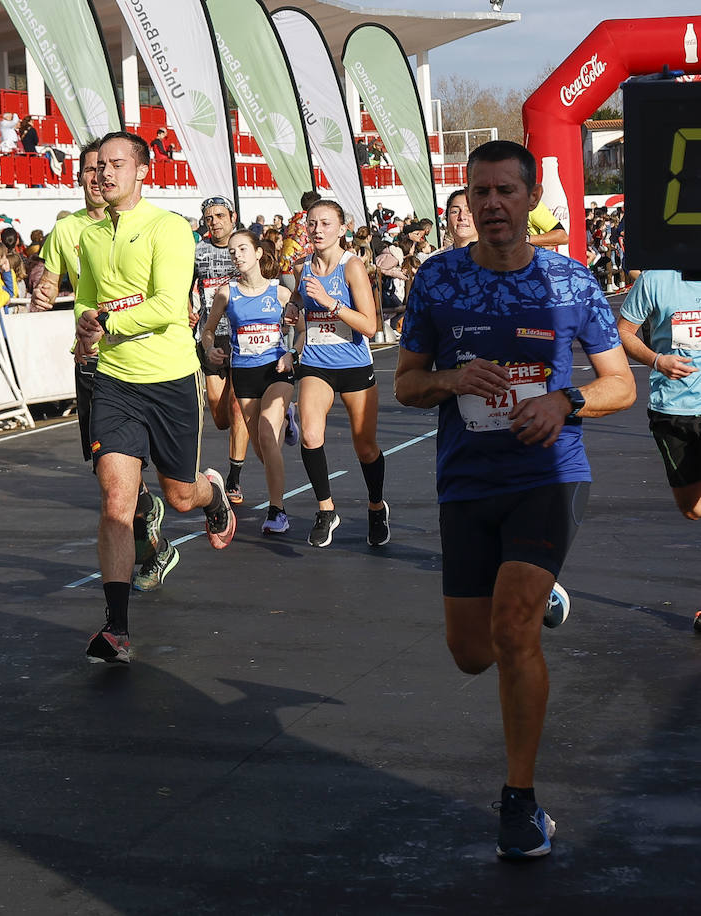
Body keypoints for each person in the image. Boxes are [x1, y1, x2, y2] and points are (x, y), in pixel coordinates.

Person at [393, 139, 634, 860]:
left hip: (549, 475)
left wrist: (566, 402)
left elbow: (620, 384)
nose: (491, 204)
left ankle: (521, 801)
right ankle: (534, 594)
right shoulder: (437, 281)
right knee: (470, 653)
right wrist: (451, 380)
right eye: (479, 192)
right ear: (464, 200)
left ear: (531, 200)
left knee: (511, 630)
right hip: (466, 481)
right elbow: (406, 383)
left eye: (505, 191)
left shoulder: (570, 284)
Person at [73, 131, 236, 665]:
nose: (105, 174)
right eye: (99, 167)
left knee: (181, 496)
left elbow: (168, 305)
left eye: (117, 164)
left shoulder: (168, 228)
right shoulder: (91, 237)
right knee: (116, 502)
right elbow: (89, 304)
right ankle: (116, 628)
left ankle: (213, 496)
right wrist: (85, 331)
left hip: (169, 381)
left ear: (142, 170)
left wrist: (109, 320)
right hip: (116, 383)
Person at [288, 198, 387, 549]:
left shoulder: (352, 268)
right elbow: (300, 300)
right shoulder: (304, 267)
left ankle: (376, 506)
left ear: (342, 229)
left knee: (366, 448)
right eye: (312, 223)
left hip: (355, 366)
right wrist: (292, 306)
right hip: (316, 363)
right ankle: (326, 509)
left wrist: (332, 303)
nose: (317, 230)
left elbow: (371, 326)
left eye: (326, 223)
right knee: (311, 436)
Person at [617, 269, 701, 632]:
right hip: (673, 410)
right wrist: (657, 360)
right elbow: (623, 331)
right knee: (693, 509)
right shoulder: (656, 279)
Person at [201, 230, 296, 534]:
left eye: (242, 249)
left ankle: (277, 510)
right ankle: (289, 419)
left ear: (257, 253)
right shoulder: (227, 294)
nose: (237, 255)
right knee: (262, 450)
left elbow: (304, 330)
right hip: (244, 374)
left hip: (276, 370)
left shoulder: (279, 293)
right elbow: (207, 330)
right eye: (232, 252)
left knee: (268, 437)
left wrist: (292, 352)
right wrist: (210, 348)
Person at [194, 196, 251, 503]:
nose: (213, 221)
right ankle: (274, 411)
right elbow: (182, 287)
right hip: (210, 337)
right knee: (220, 415)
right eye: (208, 217)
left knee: (237, 409)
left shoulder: (244, 248)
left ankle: (234, 478)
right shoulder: (198, 251)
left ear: (232, 216)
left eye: (218, 215)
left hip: (243, 336)